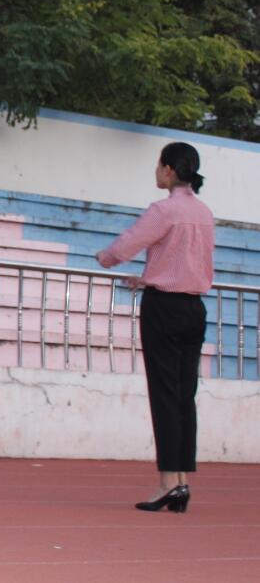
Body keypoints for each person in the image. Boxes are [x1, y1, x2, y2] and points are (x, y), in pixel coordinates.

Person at [96, 143, 214, 514]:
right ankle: (181, 481)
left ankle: (167, 483)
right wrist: (148, 277)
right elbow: (186, 263)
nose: (157, 171)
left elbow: (125, 247)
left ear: (168, 170)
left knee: (164, 393)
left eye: (158, 165)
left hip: (164, 308)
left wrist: (104, 258)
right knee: (184, 395)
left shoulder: (164, 210)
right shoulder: (204, 212)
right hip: (194, 307)